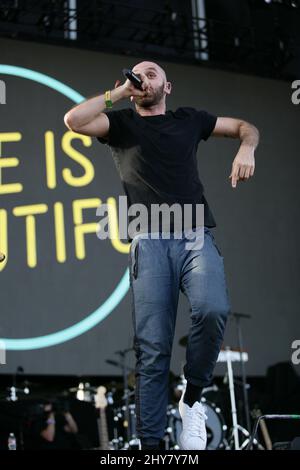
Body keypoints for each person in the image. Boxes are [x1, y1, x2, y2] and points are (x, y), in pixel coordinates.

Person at [64, 61, 259, 450]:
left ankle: (192, 399)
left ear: (167, 86)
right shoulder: (120, 124)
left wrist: (247, 148)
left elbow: (245, 126)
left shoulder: (190, 120)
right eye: (137, 75)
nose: (144, 79)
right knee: (152, 351)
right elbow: (73, 119)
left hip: (194, 235)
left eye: (151, 74)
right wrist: (117, 93)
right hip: (149, 242)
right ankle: (151, 449)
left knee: (213, 308)